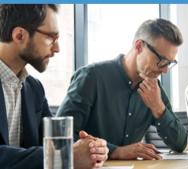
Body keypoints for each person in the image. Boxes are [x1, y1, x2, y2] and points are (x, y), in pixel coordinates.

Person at [57, 18, 188, 160]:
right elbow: (60, 136)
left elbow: (180, 144)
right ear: (139, 46)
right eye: (161, 61)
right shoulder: (91, 77)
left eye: (169, 63)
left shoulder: (154, 89)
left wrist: (158, 107)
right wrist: (116, 151)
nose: (165, 70)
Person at [0, 4, 108, 169]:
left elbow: (54, 144)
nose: (57, 48)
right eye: (51, 37)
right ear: (20, 35)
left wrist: (91, 150)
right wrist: (67, 155)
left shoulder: (34, 89)